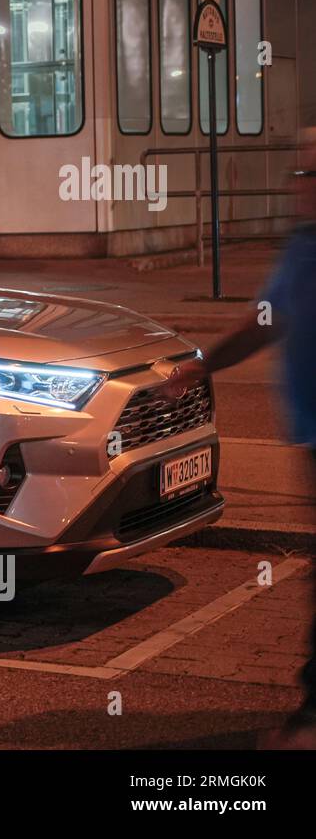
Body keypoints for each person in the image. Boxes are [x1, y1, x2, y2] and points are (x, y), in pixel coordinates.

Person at [160, 129, 316, 748]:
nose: (298, 188)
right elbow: (269, 320)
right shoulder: (303, 247)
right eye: (300, 175)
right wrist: (205, 365)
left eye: (310, 177)